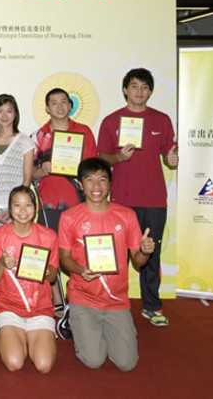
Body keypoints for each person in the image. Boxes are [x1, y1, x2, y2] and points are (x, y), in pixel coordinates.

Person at [97, 68, 178, 327]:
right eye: (134, 86)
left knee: (150, 254)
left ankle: (152, 306)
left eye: (144, 87)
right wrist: (118, 158)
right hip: (121, 199)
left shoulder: (162, 120)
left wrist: (172, 159)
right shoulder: (111, 121)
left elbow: (168, 154)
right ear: (124, 90)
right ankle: (112, 302)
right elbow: (102, 156)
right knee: (115, 255)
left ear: (150, 91)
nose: (139, 91)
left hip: (154, 199)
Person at [58, 157, 155, 371]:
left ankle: (101, 330)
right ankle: (74, 316)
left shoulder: (127, 216)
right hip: (83, 298)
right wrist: (81, 271)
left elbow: (138, 261)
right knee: (94, 361)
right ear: (80, 185)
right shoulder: (69, 217)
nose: (96, 186)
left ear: (110, 184)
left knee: (127, 363)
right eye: (90, 180)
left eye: (102, 180)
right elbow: (64, 259)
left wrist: (145, 252)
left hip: (116, 301)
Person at [0, 186, 59, 374]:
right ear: (10, 209)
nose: (23, 210)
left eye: (28, 205)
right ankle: (8, 334)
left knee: (44, 366)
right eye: (17, 205)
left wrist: (45, 270)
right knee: (14, 363)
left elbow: (52, 277)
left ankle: (31, 336)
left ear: (35, 208)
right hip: (8, 308)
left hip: (40, 309)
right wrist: (1, 263)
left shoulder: (49, 236)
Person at [31, 88, 97, 231]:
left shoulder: (84, 132)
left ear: (70, 105)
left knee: (77, 252)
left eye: (64, 102)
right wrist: (43, 171)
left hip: (79, 203)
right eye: (54, 103)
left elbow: (94, 170)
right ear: (47, 108)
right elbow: (30, 174)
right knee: (51, 251)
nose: (59, 106)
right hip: (49, 205)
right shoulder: (37, 136)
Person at [0, 94, 35, 233]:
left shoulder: (25, 141)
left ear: (15, 114)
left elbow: (27, 179)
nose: (5, 116)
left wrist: (12, 208)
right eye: (0, 111)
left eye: (9, 111)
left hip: (17, 209)